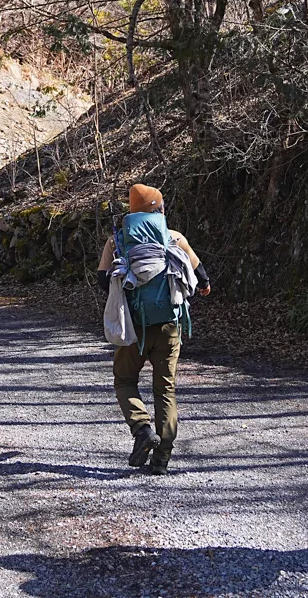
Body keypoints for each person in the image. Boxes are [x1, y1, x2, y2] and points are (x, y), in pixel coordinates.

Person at [97, 183, 211, 475]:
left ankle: (142, 428)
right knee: (165, 389)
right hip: (168, 327)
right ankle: (161, 459)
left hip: (133, 328)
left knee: (124, 380)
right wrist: (204, 286)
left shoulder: (117, 241)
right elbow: (201, 276)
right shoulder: (174, 238)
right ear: (159, 209)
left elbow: (102, 281)